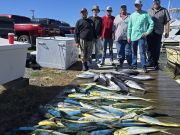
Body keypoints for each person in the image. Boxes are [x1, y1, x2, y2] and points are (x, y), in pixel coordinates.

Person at [127, 0, 154, 73]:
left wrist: (147, 32)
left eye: (138, 5)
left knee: (142, 52)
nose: (137, 6)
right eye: (135, 5)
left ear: (141, 5)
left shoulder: (146, 14)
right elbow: (129, 27)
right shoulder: (132, 15)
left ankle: (144, 66)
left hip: (141, 37)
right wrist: (128, 36)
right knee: (134, 52)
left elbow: (151, 23)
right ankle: (134, 65)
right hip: (133, 37)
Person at [147, 0, 171, 70]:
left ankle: (155, 63)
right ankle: (150, 62)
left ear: (159, 2)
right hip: (149, 32)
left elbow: (167, 22)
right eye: (154, 2)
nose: (156, 3)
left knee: (156, 48)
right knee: (149, 48)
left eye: (157, 2)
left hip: (158, 32)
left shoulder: (164, 10)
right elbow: (145, 21)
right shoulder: (149, 10)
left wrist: (167, 32)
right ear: (153, 2)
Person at [114, 4, 132, 69]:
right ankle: (120, 63)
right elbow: (114, 27)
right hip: (118, 38)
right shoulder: (116, 17)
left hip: (127, 38)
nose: (123, 10)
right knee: (120, 51)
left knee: (128, 52)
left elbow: (132, 26)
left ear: (126, 9)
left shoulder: (130, 16)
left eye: (124, 9)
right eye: (122, 9)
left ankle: (130, 64)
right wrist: (113, 35)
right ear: (120, 10)